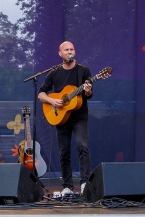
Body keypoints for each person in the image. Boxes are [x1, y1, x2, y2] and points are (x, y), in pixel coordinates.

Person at [38, 41, 93, 194]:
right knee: (64, 152)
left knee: (83, 146)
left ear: (74, 52)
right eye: (66, 50)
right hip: (61, 117)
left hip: (79, 117)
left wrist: (87, 90)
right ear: (60, 53)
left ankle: (84, 183)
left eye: (72, 49)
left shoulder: (83, 71)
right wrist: (52, 100)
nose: (69, 52)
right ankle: (67, 186)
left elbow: (89, 94)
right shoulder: (54, 73)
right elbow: (41, 93)